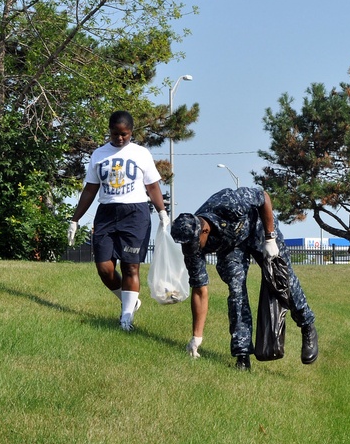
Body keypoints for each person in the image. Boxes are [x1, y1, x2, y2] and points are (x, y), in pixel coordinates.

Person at [169, 187, 317, 371]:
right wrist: (196, 337)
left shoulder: (228, 202)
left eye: (194, 243)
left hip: (259, 228)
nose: (192, 249)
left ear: (204, 230)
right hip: (232, 247)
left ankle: (307, 326)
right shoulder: (191, 247)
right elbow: (199, 290)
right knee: (236, 291)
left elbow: (264, 198)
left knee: (283, 277)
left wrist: (270, 239)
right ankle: (242, 355)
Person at [67, 111, 170, 331]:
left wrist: (162, 212)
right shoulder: (99, 155)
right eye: (115, 134)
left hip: (135, 214)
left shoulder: (141, 153)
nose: (120, 138)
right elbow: (90, 189)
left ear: (131, 132)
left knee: (131, 266)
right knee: (104, 268)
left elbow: (152, 186)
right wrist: (75, 219)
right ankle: (129, 301)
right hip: (106, 213)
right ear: (109, 131)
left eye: (124, 134)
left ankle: (126, 318)